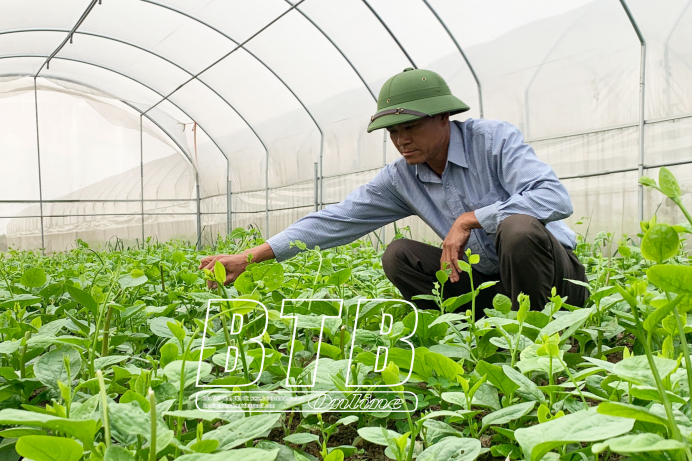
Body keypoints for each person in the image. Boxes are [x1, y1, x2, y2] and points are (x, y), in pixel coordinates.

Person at [200, 67, 588, 313]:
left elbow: (553, 197)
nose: (402, 140)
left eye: (411, 127)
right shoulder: (402, 177)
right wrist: (247, 258)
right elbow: (336, 220)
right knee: (399, 254)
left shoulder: (493, 141)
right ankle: (468, 333)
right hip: (490, 287)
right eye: (393, 131)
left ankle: (537, 337)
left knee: (517, 227)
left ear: (443, 117)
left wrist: (470, 219)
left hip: (555, 284)